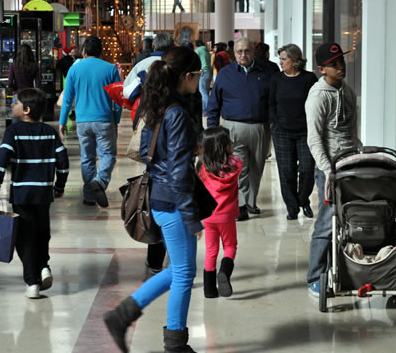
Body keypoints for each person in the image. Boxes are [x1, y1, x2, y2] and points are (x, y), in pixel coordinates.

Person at [104, 47, 203, 353]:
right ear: (187, 76)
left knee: (181, 270)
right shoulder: (175, 113)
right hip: (172, 202)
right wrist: (190, 215)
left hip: (159, 197)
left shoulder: (157, 107)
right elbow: (177, 171)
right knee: (184, 272)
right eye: (198, 75)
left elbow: (153, 153)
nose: (200, 80)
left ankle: (139, 322)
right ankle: (168, 338)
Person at [0, 88, 69, 299]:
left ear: (26, 109)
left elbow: (1, 162)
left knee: (24, 237)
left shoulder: (13, 132)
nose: (12, 106)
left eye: (15, 103)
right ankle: (44, 267)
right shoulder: (50, 132)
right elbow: (63, 163)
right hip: (43, 193)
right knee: (42, 232)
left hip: (22, 194)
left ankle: (32, 282)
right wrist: (59, 186)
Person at [305, 42, 361, 297]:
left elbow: (351, 130)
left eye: (342, 61)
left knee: (348, 221)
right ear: (321, 69)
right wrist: (328, 171)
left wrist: (360, 153)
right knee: (327, 222)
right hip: (329, 169)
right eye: (334, 64)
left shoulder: (347, 91)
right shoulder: (318, 96)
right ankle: (315, 277)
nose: (341, 67)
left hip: (351, 164)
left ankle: (343, 270)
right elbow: (314, 140)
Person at [123, 32, 175, 277]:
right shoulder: (174, 67)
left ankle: (154, 259)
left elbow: (127, 93)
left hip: (146, 123)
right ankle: (172, 258)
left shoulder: (142, 65)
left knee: (153, 180)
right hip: (168, 134)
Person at [207, 37, 273, 221]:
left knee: (257, 167)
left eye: (247, 51)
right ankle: (241, 205)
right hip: (233, 128)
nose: (243, 55)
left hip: (261, 127)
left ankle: (251, 202)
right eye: (239, 51)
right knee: (240, 168)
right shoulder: (225, 73)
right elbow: (214, 103)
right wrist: (212, 129)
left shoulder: (268, 70)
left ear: (253, 52)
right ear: (233, 53)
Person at [58, 36, 121, 208]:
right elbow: (118, 98)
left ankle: (89, 196)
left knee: (87, 158)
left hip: (83, 121)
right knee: (107, 155)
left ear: (84, 51)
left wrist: (62, 122)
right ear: (101, 52)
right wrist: (117, 119)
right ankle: (100, 182)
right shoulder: (110, 69)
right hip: (104, 119)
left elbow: (67, 98)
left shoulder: (74, 70)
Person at [269, 44, 317, 220]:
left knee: (306, 169)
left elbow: (315, 103)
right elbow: (271, 104)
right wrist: (274, 124)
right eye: (280, 58)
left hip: (305, 132)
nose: (280, 62)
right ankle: (292, 208)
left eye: (284, 59)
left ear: (295, 61)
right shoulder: (276, 79)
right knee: (286, 172)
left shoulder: (309, 78)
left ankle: (303, 200)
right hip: (282, 132)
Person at [198, 126, 242, 298]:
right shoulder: (235, 164)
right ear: (223, 146)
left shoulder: (202, 168)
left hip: (208, 216)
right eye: (229, 141)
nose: (233, 143)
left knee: (211, 251)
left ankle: (209, 290)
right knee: (230, 246)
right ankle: (224, 272)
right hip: (227, 216)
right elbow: (237, 159)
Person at [8, 44, 40, 119]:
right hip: (30, 96)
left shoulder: (13, 65)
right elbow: (38, 84)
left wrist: (14, 87)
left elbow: (9, 83)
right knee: (29, 120)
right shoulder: (34, 65)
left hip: (17, 94)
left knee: (16, 122)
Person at [194, 39, 212, 115]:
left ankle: (206, 111)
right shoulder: (206, 50)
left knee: (203, 92)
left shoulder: (198, 50)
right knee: (206, 91)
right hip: (209, 71)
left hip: (203, 72)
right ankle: (207, 110)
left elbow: (194, 59)